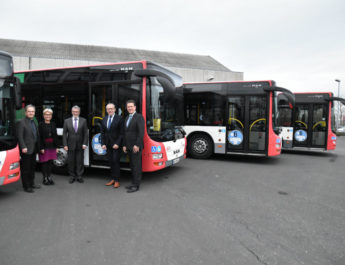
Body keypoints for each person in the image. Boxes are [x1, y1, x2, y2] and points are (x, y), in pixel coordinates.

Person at [17, 104, 40, 193]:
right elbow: (20, 136)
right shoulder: (21, 122)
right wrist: (23, 147)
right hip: (26, 149)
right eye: (29, 111)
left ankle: (32, 183)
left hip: (33, 148)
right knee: (26, 169)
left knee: (32, 167)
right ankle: (26, 186)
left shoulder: (33, 121)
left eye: (32, 111)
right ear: (26, 112)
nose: (31, 113)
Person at [123, 100, 145, 193]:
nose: (130, 108)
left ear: (135, 107)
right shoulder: (127, 117)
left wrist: (137, 145)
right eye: (128, 107)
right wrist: (124, 145)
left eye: (131, 106)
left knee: (136, 166)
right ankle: (133, 183)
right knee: (132, 166)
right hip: (128, 146)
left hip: (136, 146)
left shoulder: (139, 117)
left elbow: (141, 133)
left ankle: (136, 185)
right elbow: (125, 133)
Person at [62, 106, 88, 184]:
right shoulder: (67, 121)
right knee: (71, 161)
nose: (75, 113)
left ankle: (79, 176)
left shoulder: (84, 121)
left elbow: (86, 134)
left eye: (77, 111)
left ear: (79, 112)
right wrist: (65, 145)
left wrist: (85, 143)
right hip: (70, 145)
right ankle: (72, 176)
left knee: (80, 161)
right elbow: (64, 134)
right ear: (72, 112)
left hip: (80, 145)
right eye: (74, 111)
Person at [100, 103, 124, 188]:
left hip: (116, 145)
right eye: (108, 109)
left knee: (115, 161)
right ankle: (113, 179)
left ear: (114, 109)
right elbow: (102, 133)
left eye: (111, 109)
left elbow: (122, 133)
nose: (110, 110)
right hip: (107, 145)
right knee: (110, 161)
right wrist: (102, 143)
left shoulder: (120, 118)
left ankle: (117, 180)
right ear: (106, 110)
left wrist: (117, 143)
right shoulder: (104, 119)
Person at [38, 108, 58, 185]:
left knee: (50, 163)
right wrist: (41, 148)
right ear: (43, 115)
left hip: (52, 146)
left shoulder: (53, 124)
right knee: (44, 163)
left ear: (51, 116)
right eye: (46, 114)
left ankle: (49, 177)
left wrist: (56, 147)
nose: (48, 116)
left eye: (49, 114)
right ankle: (45, 178)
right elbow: (39, 137)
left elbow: (55, 136)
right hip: (44, 146)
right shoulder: (41, 124)